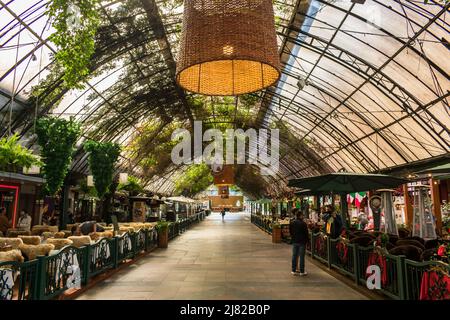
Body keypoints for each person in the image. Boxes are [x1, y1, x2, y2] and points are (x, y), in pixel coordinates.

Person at [289, 209, 309, 276]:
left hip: (295, 241)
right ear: (300, 216)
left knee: (294, 256)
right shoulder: (303, 223)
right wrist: (307, 241)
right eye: (302, 215)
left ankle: (293, 270)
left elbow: (291, 232)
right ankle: (302, 271)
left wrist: (293, 238)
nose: (303, 216)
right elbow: (306, 233)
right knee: (302, 256)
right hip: (302, 242)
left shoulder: (292, 222)